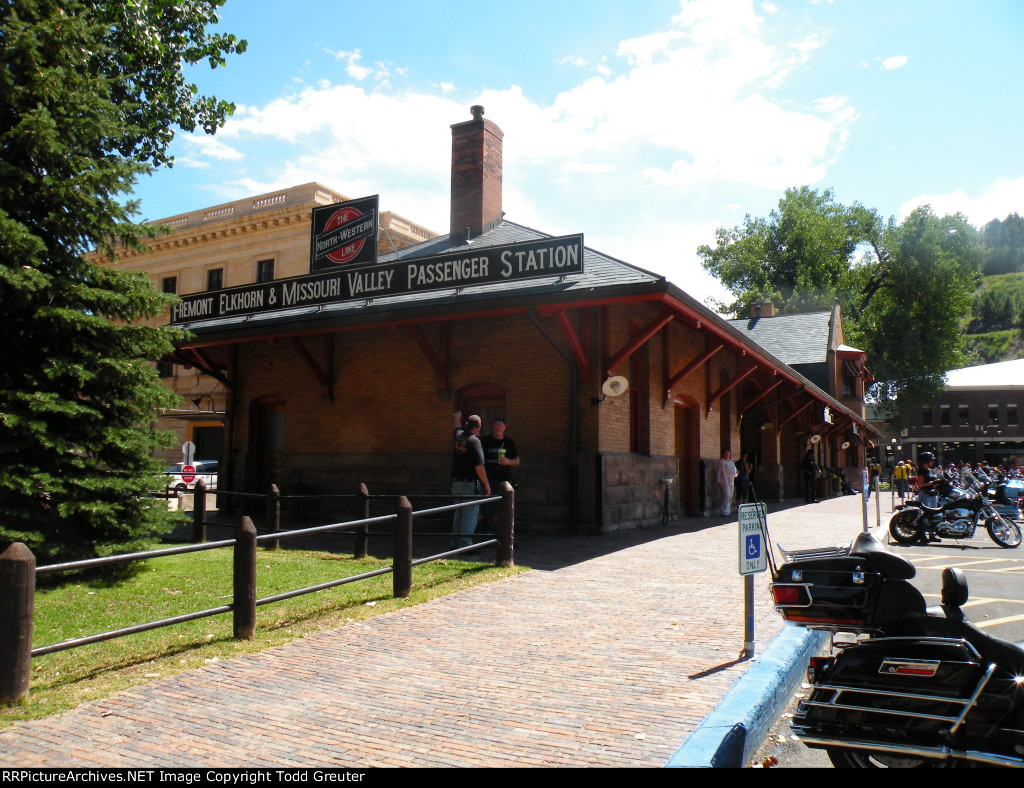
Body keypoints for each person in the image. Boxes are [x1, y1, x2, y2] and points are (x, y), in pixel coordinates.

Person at [450, 412, 490, 550]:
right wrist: (486, 484)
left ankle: (454, 544)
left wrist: (457, 417)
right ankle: (465, 546)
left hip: (456, 484)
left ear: (467, 425)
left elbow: (456, 427)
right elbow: (479, 466)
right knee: (469, 515)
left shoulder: (459, 436)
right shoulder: (475, 441)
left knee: (459, 513)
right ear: (478, 427)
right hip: (469, 484)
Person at [481, 416, 520, 526]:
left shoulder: (508, 442)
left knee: (505, 509)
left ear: (505, 427)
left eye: (500, 425)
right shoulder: (485, 441)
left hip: (505, 480)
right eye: (495, 425)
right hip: (490, 479)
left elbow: (517, 460)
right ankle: (487, 534)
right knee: (488, 508)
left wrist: (508, 461)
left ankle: (505, 534)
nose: (497, 427)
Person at [717, 449, 738, 516]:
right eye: (726, 453)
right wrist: (718, 480)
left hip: (731, 481)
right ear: (724, 454)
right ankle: (723, 511)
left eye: (728, 453)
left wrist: (736, 473)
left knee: (730, 496)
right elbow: (719, 471)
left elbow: (734, 469)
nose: (727, 455)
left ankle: (727, 510)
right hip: (724, 481)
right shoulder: (722, 462)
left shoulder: (731, 462)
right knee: (726, 495)